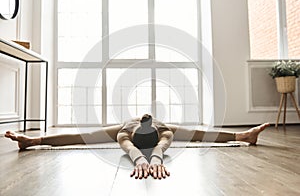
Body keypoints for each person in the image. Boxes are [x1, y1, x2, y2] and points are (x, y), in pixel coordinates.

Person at [4, 114, 270, 180]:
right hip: (131, 134)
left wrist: (150, 160)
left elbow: (146, 148)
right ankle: (245, 135)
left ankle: (244, 135)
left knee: (198, 133)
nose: (146, 120)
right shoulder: (159, 129)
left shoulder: (137, 130)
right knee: (85, 135)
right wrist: (149, 159)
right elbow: (156, 146)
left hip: (125, 133)